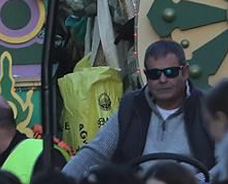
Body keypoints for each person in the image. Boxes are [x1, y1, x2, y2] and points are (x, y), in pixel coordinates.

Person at [64, 40, 215, 178]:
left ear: (185, 72)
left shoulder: (207, 107)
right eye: (154, 74)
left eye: (170, 72)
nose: (162, 80)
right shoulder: (131, 106)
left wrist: (197, 181)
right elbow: (96, 152)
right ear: (145, 75)